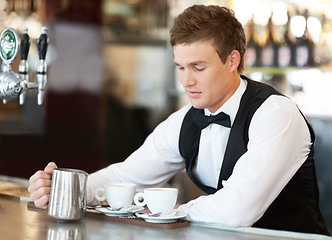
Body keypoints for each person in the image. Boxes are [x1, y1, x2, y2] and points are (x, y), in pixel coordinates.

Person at [28, 5, 329, 235]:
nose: (186, 80)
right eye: (180, 67)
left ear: (233, 61)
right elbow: (126, 176)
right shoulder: (184, 121)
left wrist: (167, 212)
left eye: (198, 67)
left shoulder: (276, 115)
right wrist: (65, 190)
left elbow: (237, 210)